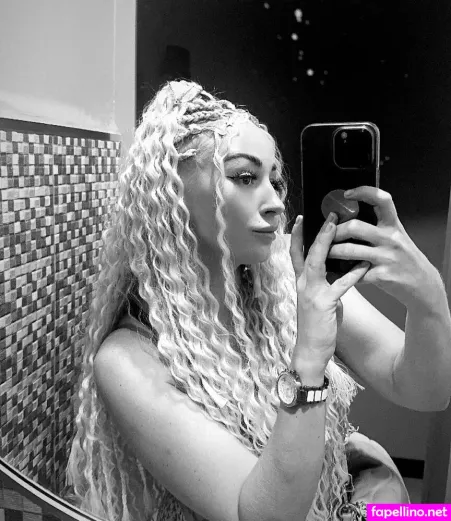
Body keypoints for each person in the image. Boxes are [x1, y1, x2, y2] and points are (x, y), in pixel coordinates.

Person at [66, 80, 451, 521]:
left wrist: (427, 296)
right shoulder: (128, 361)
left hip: (349, 501)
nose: (275, 204)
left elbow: (425, 391)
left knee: (438, 516)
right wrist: (310, 359)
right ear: (171, 192)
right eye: (245, 178)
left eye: (275, 180)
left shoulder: (287, 277)